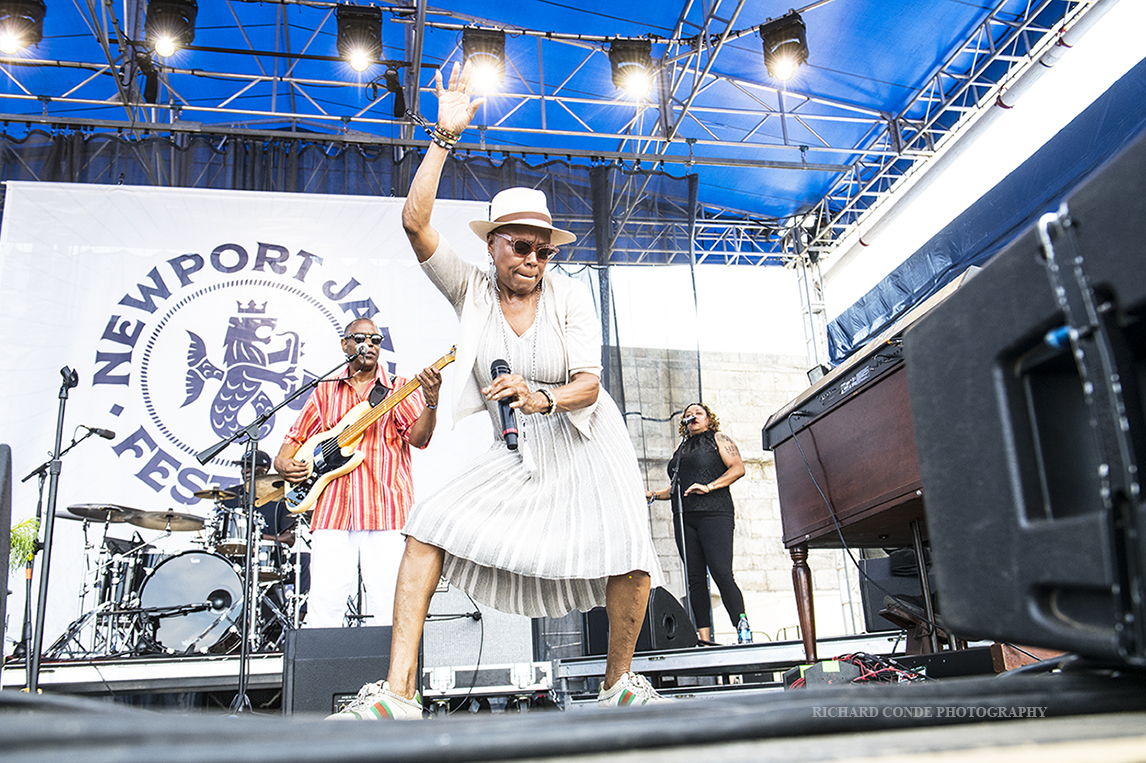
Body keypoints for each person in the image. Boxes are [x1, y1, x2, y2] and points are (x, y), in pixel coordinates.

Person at [328, 61, 668, 720]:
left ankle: (618, 681)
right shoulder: (472, 287)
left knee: (630, 553)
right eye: (521, 247)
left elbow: (590, 386)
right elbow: (415, 223)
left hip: (586, 440)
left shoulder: (569, 294)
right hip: (518, 451)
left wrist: (544, 397)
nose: (534, 260)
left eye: (544, 250)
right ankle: (399, 693)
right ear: (493, 246)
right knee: (427, 526)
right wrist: (443, 138)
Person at [274, 318, 441, 629]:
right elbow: (293, 441)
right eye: (362, 338)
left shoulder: (398, 388)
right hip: (334, 509)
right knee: (324, 605)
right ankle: (324, 676)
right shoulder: (325, 392)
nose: (370, 345)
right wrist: (283, 463)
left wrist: (431, 404)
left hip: (385, 508)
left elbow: (418, 439)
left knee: (389, 605)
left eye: (376, 340)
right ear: (345, 345)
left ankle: (393, 678)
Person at [646, 403, 749, 644]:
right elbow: (676, 488)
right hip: (684, 516)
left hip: (715, 513)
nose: (692, 416)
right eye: (688, 414)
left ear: (708, 419)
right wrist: (652, 494)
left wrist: (709, 486)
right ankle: (703, 637)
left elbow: (738, 468)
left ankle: (742, 627)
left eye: (698, 413)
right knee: (694, 578)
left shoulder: (718, 438)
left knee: (721, 573)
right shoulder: (680, 448)